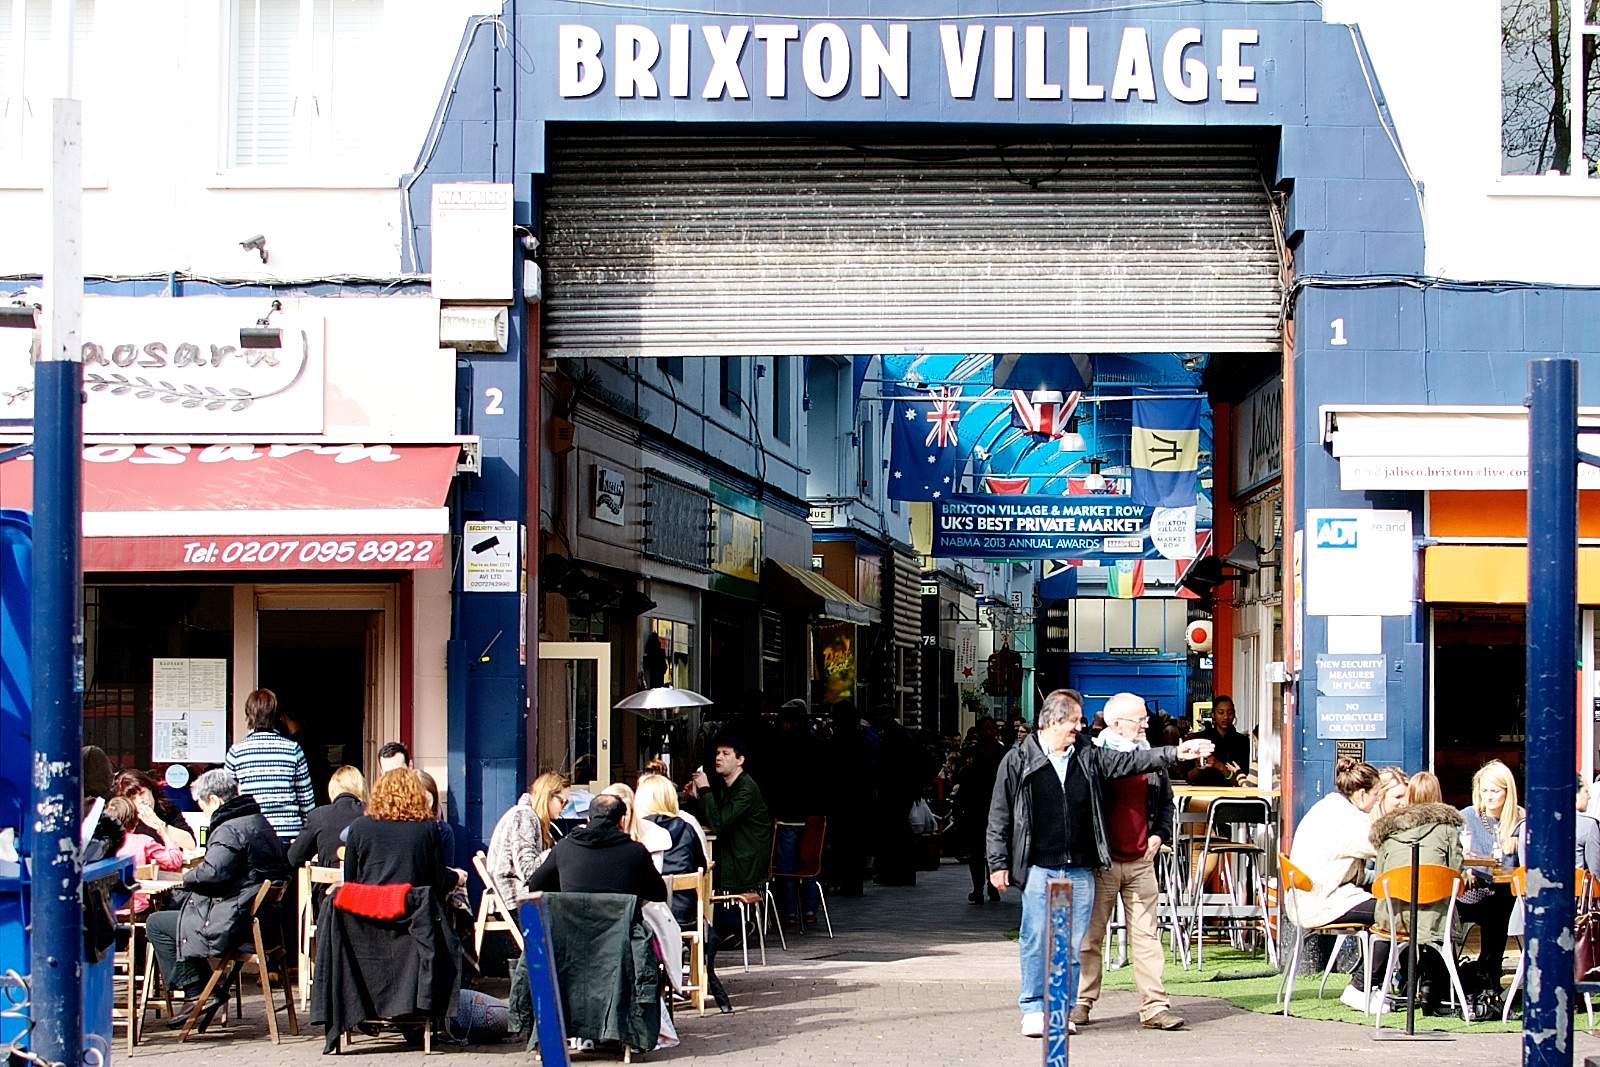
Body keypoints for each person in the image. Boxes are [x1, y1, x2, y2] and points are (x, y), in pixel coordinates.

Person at [986, 688, 1213, 1039]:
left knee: (1074, 943)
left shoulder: (1087, 754)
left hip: (1083, 865)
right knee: (1038, 939)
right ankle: (1035, 1008)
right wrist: (998, 862)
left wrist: (1173, 754)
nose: (1081, 727)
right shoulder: (1019, 759)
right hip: (1044, 867)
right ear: (1054, 720)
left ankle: (1064, 1011)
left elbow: (1131, 765)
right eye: (1075, 720)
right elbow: (1000, 814)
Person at [1073, 693, 1184, 1032]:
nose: (1147, 723)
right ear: (1117, 723)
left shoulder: (1151, 758)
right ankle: (1081, 1002)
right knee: (1090, 937)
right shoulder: (1093, 757)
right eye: (1140, 719)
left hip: (1141, 860)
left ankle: (1155, 1007)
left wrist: (1159, 834)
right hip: (1103, 863)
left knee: (1147, 937)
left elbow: (1165, 803)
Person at [145, 769, 290, 1030]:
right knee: (181, 912)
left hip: (237, 921)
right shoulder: (257, 821)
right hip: (260, 918)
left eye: (201, 805)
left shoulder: (229, 829)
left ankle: (196, 991)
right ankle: (204, 990)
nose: (202, 812)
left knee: (157, 922)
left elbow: (212, 873)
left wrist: (186, 877)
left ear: (213, 800)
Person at [1287, 757, 1386, 1013]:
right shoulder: (1352, 820)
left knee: (1388, 908)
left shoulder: (1327, 806)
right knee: (1396, 914)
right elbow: (1386, 849)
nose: (1379, 801)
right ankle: (1361, 987)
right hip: (1324, 902)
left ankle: (1373, 985)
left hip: (1307, 897)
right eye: (1377, 795)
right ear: (1362, 794)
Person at [1369, 766, 1463, 1014]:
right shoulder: (1448, 830)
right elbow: (1456, 875)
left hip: (1395, 919)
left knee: (1415, 914)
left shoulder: (1388, 832)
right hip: (1435, 920)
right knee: (1437, 913)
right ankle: (1432, 988)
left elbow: (1379, 878)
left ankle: (1406, 984)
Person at [636, 773, 728, 1013]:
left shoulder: (638, 832)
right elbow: (702, 866)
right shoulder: (686, 828)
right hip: (685, 915)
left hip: (649, 916)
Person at [343, 769, 460, 904]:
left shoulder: (358, 826)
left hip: (370, 911)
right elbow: (439, 883)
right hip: (415, 912)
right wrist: (457, 877)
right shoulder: (427, 828)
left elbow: (349, 882)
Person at [527, 793, 669, 902]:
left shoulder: (563, 848)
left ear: (589, 818)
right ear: (622, 820)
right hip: (622, 930)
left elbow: (535, 885)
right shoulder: (636, 852)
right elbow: (659, 894)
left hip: (575, 930)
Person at [1457, 759, 1523, 987]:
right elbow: (1454, 855)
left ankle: (1490, 971)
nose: (1489, 797)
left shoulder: (1521, 819)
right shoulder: (1467, 816)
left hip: (1505, 893)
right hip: (1471, 893)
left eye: (1495, 791)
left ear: (1508, 791)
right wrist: (1466, 869)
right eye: (1484, 791)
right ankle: (1482, 973)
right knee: (1496, 910)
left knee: (1501, 907)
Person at [224, 688, 314, 845]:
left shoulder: (236, 752)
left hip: (251, 834)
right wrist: (307, 836)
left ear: (249, 715)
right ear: (276, 715)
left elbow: (228, 800)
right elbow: (306, 800)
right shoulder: (293, 749)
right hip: (289, 835)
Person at [763, 699, 826, 922]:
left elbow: (773, 780)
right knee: (810, 864)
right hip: (813, 816)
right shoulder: (817, 744)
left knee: (786, 867)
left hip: (787, 814)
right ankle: (810, 910)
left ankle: (789, 911)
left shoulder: (779, 745)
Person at [486, 770, 570, 906]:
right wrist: (558, 851)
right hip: (514, 897)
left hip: (521, 894)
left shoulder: (531, 817)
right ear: (547, 796)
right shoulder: (524, 816)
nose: (564, 808)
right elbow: (528, 871)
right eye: (562, 802)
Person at [955, 717, 1005, 905]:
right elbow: (961, 778)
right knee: (976, 850)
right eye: (985, 729)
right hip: (975, 807)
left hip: (997, 807)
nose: (988, 732)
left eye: (991, 729)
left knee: (995, 849)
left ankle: (993, 885)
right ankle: (977, 888)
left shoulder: (1002, 753)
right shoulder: (971, 752)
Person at [106, 796, 184, 915]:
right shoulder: (143, 842)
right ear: (135, 821)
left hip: (106, 911)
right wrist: (164, 834)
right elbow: (174, 861)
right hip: (136, 910)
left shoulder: (99, 846)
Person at [287, 765, 366, 870]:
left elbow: (294, 858)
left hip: (328, 880)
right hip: (365, 879)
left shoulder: (318, 815)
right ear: (360, 787)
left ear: (332, 788)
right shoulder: (373, 813)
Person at [114, 768, 198, 852]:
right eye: (133, 798)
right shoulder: (125, 819)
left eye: (142, 793)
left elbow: (191, 844)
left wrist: (159, 824)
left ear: (150, 788)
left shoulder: (167, 810)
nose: (140, 800)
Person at [601, 782, 673, 869]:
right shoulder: (589, 837)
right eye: (613, 813)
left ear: (632, 812)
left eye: (624, 813)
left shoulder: (653, 835)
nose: (619, 820)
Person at [1187, 696, 1250, 785]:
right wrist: (1199, 767)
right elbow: (1189, 778)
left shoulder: (1242, 741)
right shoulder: (1200, 739)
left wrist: (1220, 767)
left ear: (1234, 715)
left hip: (1232, 792)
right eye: (1221, 712)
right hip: (1202, 791)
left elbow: (1243, 781)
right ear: (1213, 714)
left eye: (1230, 713)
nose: (1226, 717)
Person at [1578, 777, 1600, 880]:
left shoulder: (1525, 826)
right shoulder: (1589, 825)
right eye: (1586, 791)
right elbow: (1595, 873)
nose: (1589, 797)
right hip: (1577, 889)